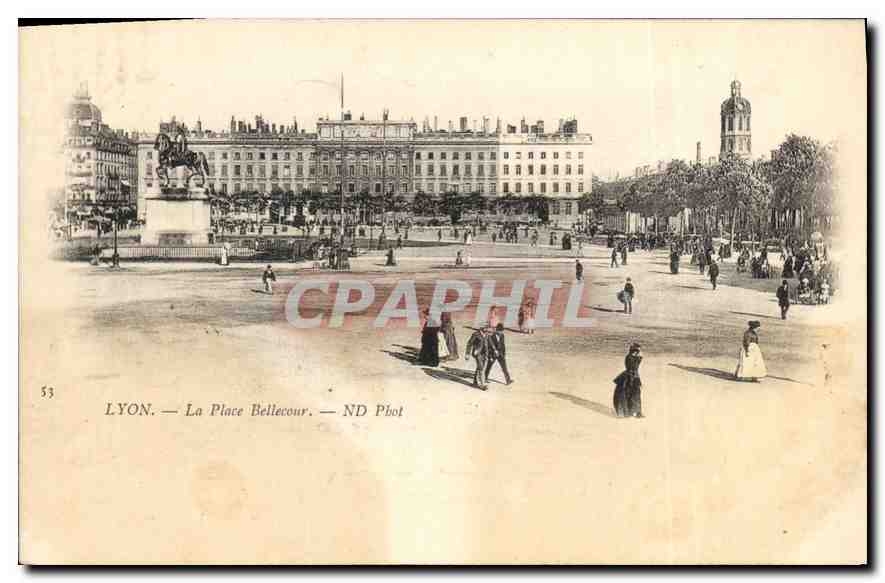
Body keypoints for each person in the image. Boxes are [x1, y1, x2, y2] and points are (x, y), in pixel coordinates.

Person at [613, 343, 643, 418]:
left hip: (632, 376)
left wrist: (639, 359)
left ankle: (634, 412)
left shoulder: (631, 357)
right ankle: (628, 413)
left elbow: (635, 369)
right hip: (630, 377)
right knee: (628, 395)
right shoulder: (630, 357)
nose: (640, 352)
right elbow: (634, 368)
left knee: (634, 395)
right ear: (635, 351)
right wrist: (639, 359)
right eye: (639, 350)